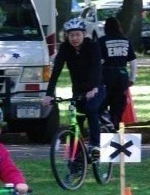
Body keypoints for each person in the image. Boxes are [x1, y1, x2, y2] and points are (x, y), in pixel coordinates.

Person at [43, 17, 105, 149]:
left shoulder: (93, 46)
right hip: (78, 90)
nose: (74, 38)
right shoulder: (65, 48)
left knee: (91, 109)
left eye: (77, 34)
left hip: (96, 88)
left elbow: (96, 68)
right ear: (67, 36)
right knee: (75, 120)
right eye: (71, 35)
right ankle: (76, 158)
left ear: (84, 34)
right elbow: (56, 72)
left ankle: (95, 145)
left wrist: (93, 88)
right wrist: (49, 94)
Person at [98, 17, 137, 127]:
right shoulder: (126, 40)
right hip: (122, 75)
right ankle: (116, 127)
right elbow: (133, 62)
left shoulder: (102, 41)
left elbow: (99, 61)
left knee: (103, 102)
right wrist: (132, 78)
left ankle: (105, 125)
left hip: (107, 75)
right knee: (119, 104)